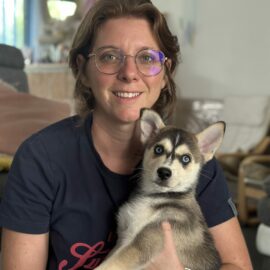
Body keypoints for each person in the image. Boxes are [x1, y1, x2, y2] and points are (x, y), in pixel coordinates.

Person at [0, 0, 253, 269]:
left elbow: (238, 265)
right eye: (109, 56)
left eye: (146, 58)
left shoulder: (196, 164)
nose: (129, 73)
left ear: (166, 74)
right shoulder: (41, 160)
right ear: (83, 70)